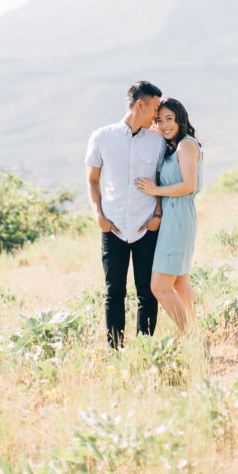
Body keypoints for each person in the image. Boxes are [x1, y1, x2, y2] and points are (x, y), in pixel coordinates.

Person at [85, 80, 166, 348]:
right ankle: (115, 351)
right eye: (155, 108)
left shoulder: (157, 142)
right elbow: (93, 181)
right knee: (114, 293)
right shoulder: (101, 137)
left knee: (147, 293)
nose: (157, 115)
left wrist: (157, 216)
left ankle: (145, 350)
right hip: (113, 228)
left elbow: (161, 179)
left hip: (146, 229)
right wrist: (99, 216)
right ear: (140, 104)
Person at [135, 98, 202, 333]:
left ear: (180, 119)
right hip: (175, 219)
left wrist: (155, 190)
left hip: (179, 219)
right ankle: (196, 333)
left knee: (160, 287)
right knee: (180, 283)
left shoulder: (186, 145)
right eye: (159, 120)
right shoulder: (172, 146)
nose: (164, 125)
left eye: (169, 119)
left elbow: (189, 185)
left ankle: (190, 336)